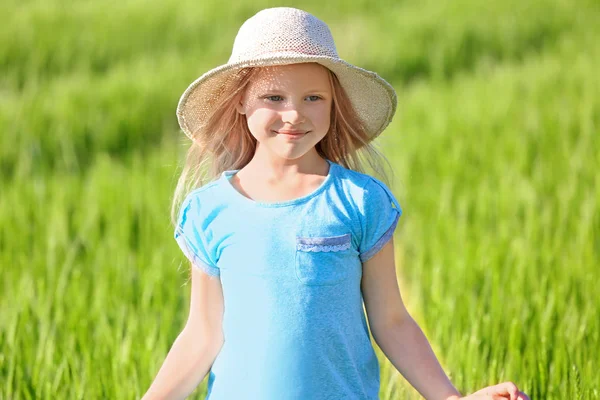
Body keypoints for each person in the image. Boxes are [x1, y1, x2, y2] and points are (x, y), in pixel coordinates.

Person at [142, 7, 529, 400]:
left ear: (333, 104)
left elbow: (391, 321)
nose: (293, 113)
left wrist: (452, 399)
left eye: (313, 97)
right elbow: (202, 335)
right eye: (273, 97)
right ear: (241, 102)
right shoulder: (210, 211)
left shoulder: (359, 201)